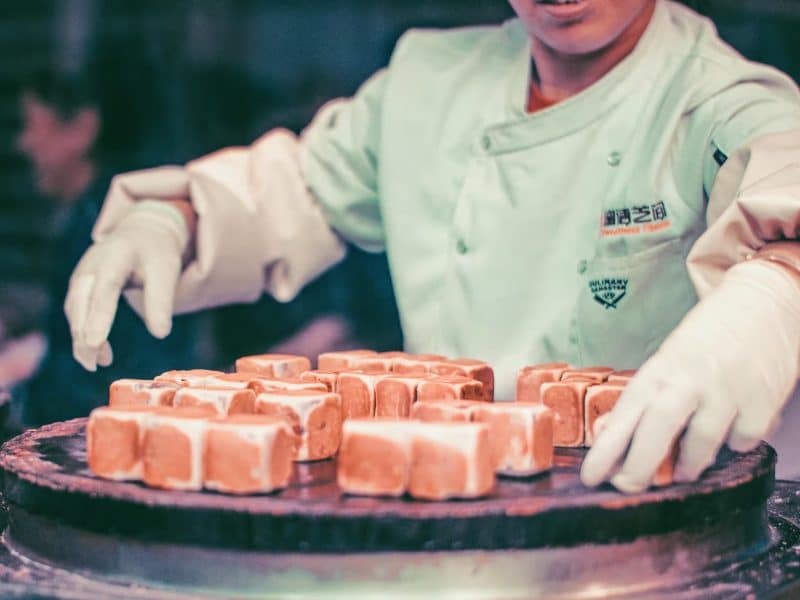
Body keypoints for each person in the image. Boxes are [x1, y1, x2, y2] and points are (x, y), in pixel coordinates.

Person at [64, 0, 800, 493]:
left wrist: (772, 294)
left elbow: (785, 172)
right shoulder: (429, 80)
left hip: (633, 523)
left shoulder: (716, 98)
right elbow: (302, 184)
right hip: (437, 506)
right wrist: (175, 219)